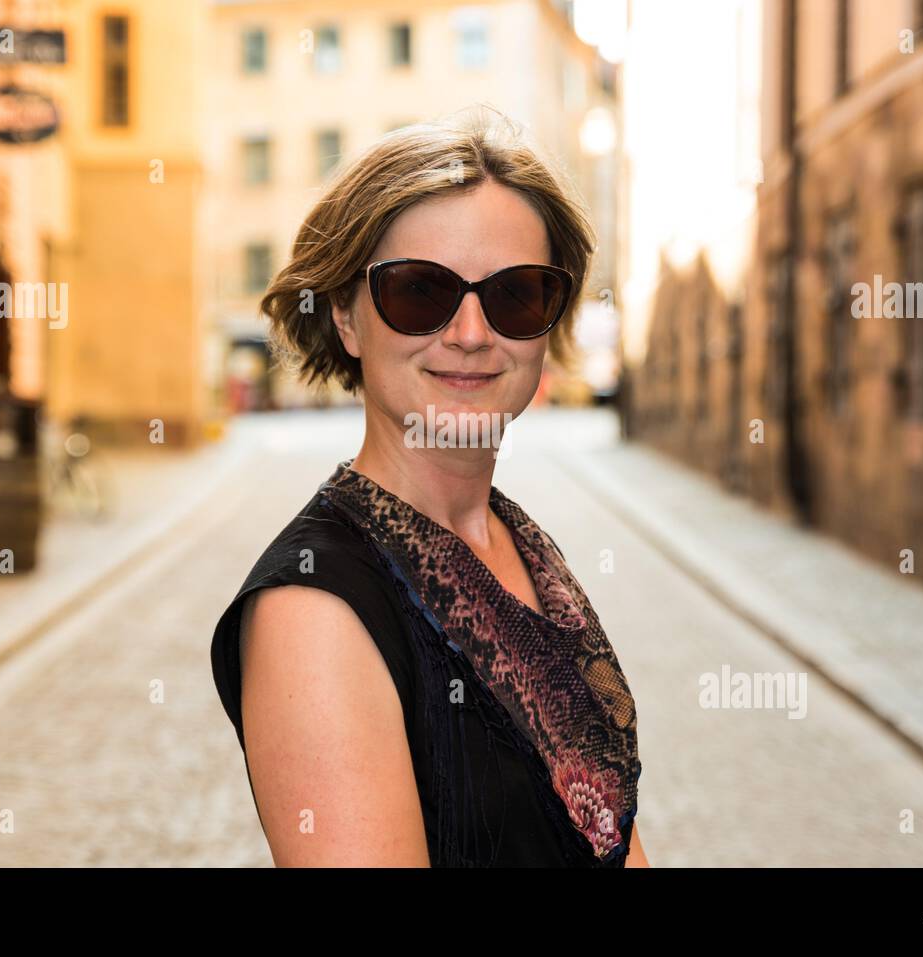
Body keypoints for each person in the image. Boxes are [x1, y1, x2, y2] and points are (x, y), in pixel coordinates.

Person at [209, 106, 646, 867]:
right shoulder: (316, 610)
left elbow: (608, 840)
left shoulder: (521, 544)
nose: (471, 333)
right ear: (346, 317)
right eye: (419, 291)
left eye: (515, 294)